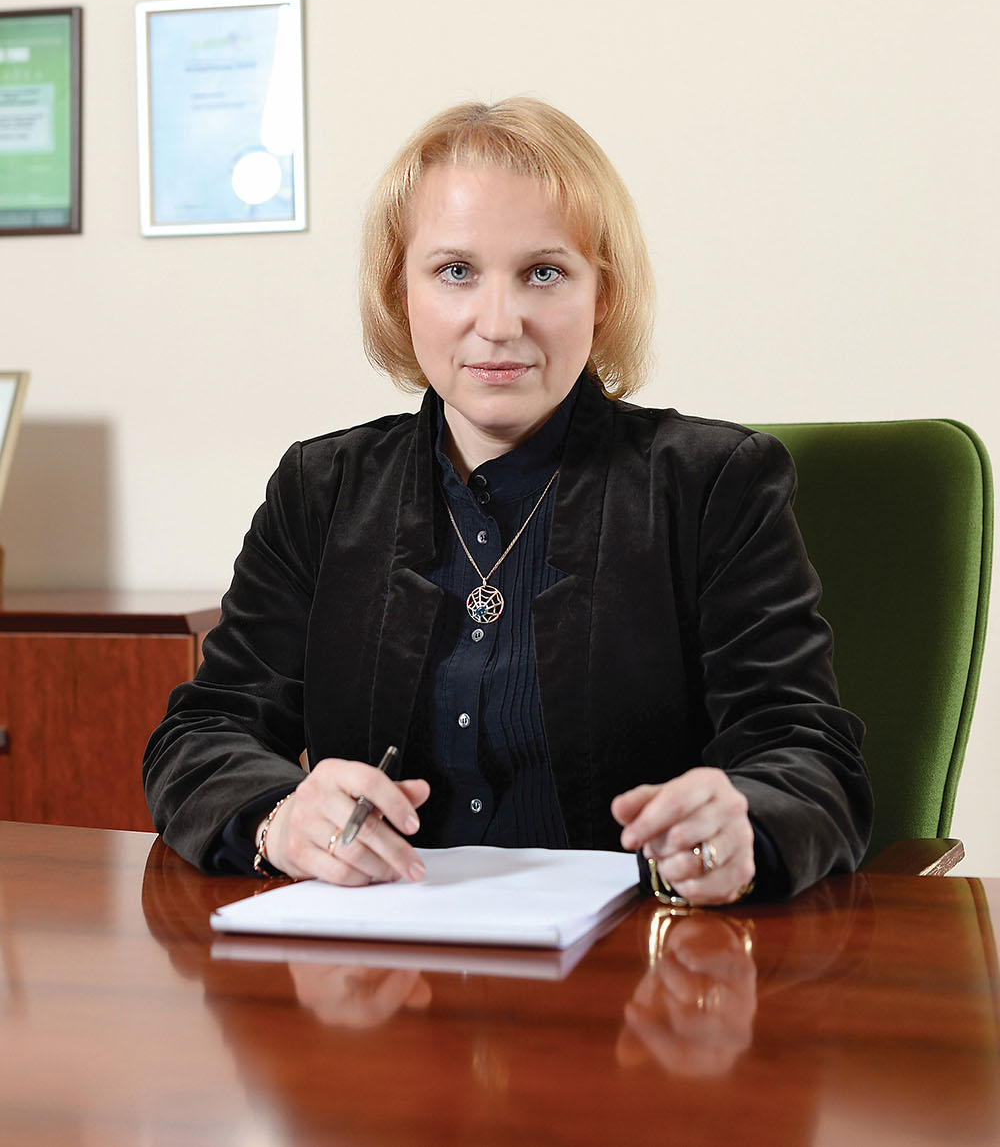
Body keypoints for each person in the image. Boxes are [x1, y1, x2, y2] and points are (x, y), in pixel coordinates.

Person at [143, 98, 872, 905]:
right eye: (456, 272)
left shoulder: (714, 484)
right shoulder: (321, 489)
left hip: (642, 956)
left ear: (602, 295)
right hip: (381, 962)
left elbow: (810, 758)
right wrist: (278, 819)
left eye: (544, 273)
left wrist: (744, 827)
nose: (498, 323)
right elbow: (204, 732)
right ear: (401, 292)